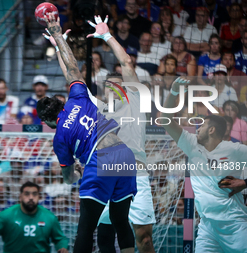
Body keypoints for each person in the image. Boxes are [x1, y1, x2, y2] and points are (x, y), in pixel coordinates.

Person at [39, 13, 136, 253]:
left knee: (85, 229)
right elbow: (72, 67)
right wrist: (58, 36)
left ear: (47, 120)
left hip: (99, 161)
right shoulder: (78, 98)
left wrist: (78, 173)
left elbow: (68, 178)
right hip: (124, 154)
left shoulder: (59, 137)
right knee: (120, 220)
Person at [90, 20, 156, 251]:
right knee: (105, 235)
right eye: (110, 85)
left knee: (145, 238)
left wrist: (107, 36)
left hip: (136, 175)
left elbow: (126, 62)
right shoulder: (97, 108)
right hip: (107, 176)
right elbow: (72, 79)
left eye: (120, 85)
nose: (115, 88)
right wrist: (59, 43)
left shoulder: (136, 101)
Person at [161, 77, 247, 253]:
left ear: (212, 130)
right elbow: (165, 120)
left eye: (201, 125)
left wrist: (245, 183)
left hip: (234, 225)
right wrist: (174, 91)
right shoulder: (192, 144)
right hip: (207, 227)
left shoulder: (235, 150)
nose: (197, 128)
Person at [0, 181, 69, 253]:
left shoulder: (49, 217)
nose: (31, 197)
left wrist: (62, 247)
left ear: (39, 197)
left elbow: (60, 238)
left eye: (34, 194)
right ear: (20, 197)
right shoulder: (6, 216)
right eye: (27, 194)